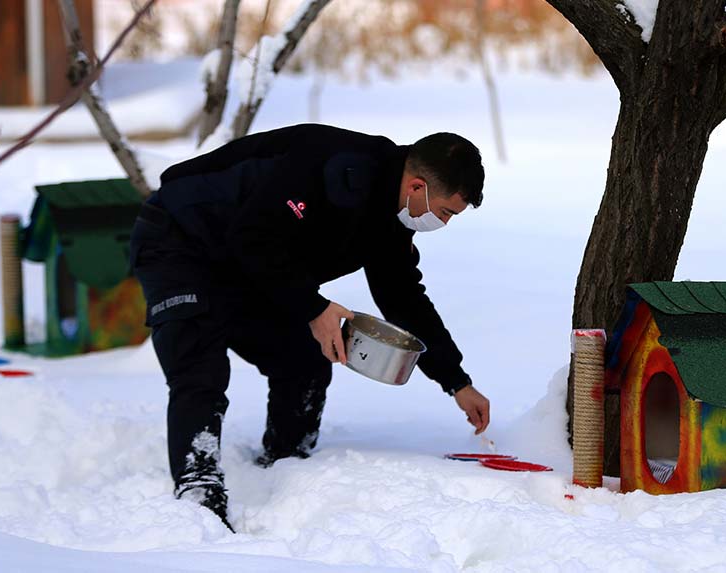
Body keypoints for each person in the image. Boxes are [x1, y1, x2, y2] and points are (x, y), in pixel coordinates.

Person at [129, 123, 491, 531]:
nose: (443, 223)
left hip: (250, 266)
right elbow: (254, 235)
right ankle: (199, 490)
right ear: (417, 186)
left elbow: (403, 297)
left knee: (303, 358)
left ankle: (284, 468)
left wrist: (456, 381)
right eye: (445, 212)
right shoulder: (336, 168)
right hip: (181, 241)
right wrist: (313, 306)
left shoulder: (391, 219)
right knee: (200, 370)